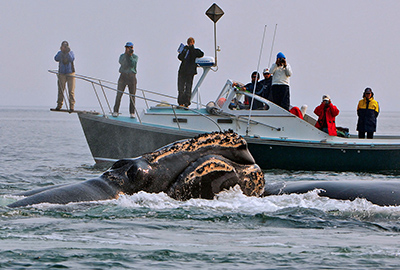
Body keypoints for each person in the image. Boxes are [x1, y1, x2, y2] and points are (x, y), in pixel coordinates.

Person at [113, 42, 138, 118]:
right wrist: (126, 55)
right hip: (123, 76)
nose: (128, 49)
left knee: (132, 95)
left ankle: (132, 112)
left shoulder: (135, 57)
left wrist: (130, 56)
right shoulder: (122, 56)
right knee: (119, 94)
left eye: (130, 47)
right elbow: (122, 62)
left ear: (132, 48)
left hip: (132, 76)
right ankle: (115, 111)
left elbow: (132, 64)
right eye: (127, 47)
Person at [177, 37, 204, 108]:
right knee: (181, 88)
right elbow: (180, 57)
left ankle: (186, 102)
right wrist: (184, 50)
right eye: (189, 42)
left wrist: (191, 48)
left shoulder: (195, 51)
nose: (190, 43)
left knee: (188, 88)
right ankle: (181, 102)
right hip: (182, 71)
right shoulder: (185, 50)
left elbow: (201, 54)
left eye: (192, 42)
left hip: (190, 72)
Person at [54, 41, 75, 111]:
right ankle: (59, 105)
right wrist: (61, 52)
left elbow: (71, 59)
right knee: (61, 90)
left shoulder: (71, 53)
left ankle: (71, 106)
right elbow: (56, 58)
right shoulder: (60, 53)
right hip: (62, 73)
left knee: (71, 91)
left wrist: (67, 52)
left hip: (70, 73)